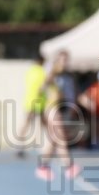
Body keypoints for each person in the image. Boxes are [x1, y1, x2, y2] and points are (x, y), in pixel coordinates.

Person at [36, 49, 81, 180]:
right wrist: (52, 74)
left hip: (64, 109)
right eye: (62, 59)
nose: (64, 62)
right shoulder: (52, 74)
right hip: (53, 108)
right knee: (60, 138)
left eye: (66, 60)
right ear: (57, 60)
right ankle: (68, 166)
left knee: (54, 140)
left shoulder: (68, 76)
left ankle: (43, 166)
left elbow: (72, 94)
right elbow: (41, 89)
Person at [15, 54, 47, 157]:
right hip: (39, 101)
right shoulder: (42, 72)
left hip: (29, 100)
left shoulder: (30, 71)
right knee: (43, 124)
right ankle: (42, 144)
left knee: (26, 124)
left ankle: (20, 145)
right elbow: (42, 87)